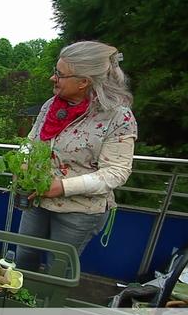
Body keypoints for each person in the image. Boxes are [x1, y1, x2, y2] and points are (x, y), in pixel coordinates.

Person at [16, 41, 138, 271]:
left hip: (79, 210)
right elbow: (31, 141)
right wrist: (23, 161)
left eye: (60, 75)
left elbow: (116, 172)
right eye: (55, 72)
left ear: (84, 82)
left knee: (59, 269)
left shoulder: (117, 117)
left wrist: (61, 187)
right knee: (23, 255)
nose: (53, 79)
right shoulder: (51, 105)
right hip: (37, 198)